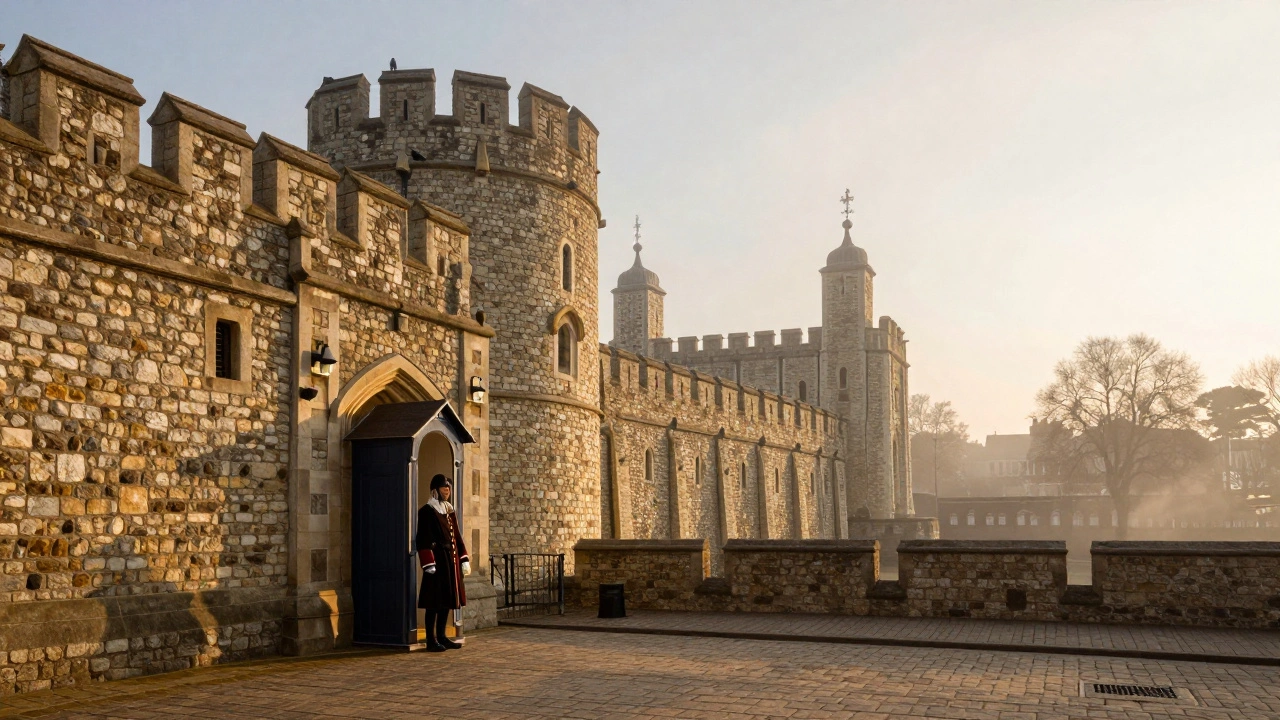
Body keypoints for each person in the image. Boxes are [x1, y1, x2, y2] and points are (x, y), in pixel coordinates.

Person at [416, 474, 470, 652]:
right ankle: (431, 640)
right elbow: (422, 539)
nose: (447, 491)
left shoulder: (448, 510)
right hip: (437, 561)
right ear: (435, 490)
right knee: (434, 602)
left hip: (450, 561)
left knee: (446, 600)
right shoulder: (427, 511)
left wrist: (463, 558)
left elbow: (457, 537)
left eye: (449, 488)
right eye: (444, 488)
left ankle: (442, 636)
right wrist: (428, 563)